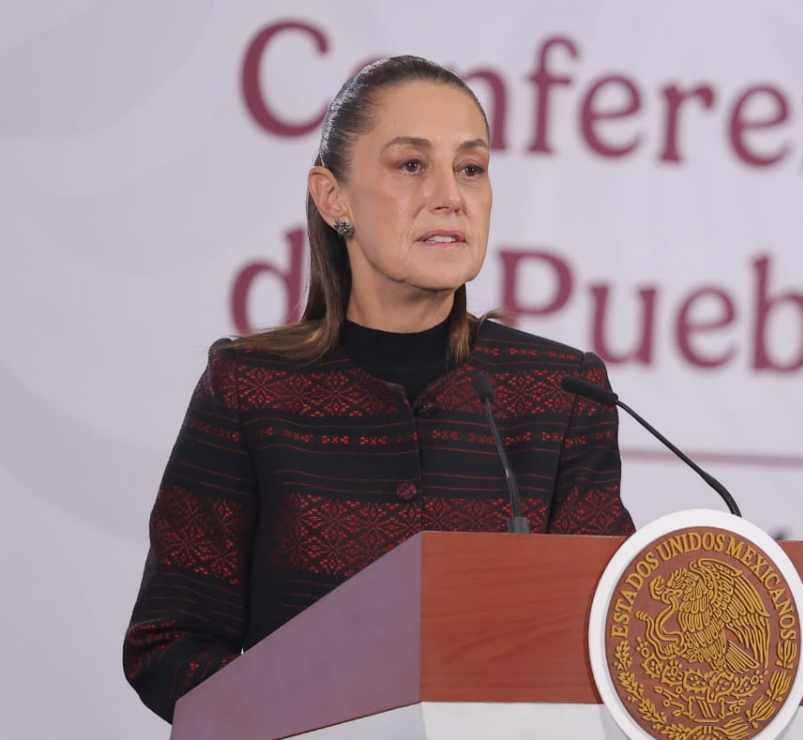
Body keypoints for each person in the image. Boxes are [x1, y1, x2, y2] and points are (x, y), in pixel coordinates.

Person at [122, 56, 635, 723]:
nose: (450, 195)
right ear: (333, 198)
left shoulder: (559, 392)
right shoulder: (250, 388)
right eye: (411, 165)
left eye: (471, 168)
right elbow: (168, 645)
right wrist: (310, 718)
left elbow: (609, 644)